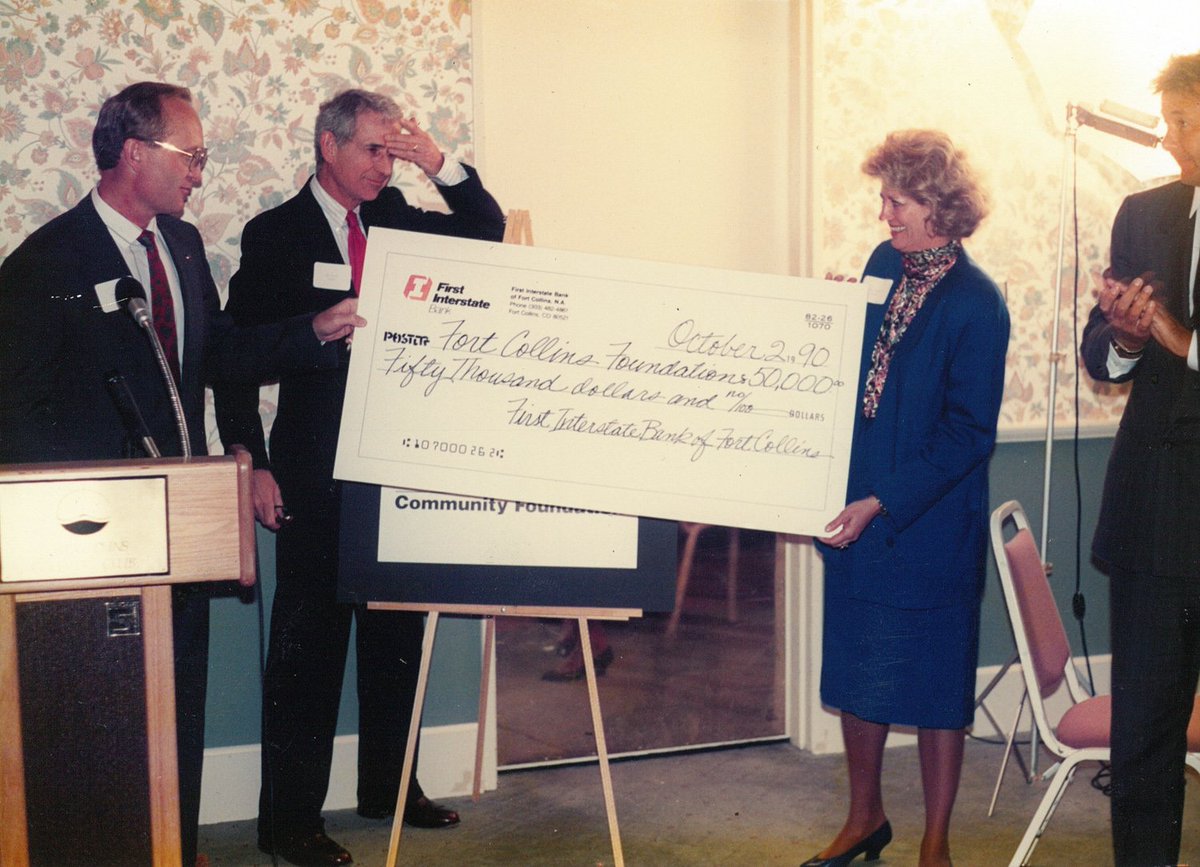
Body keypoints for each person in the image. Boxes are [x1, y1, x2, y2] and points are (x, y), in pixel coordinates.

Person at [0, 82, 363, 867]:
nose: (200, 170)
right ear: (135, 153)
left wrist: (312, 331)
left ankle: (178, 844)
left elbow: (221, 354)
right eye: (190, 155)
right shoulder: (46, 262)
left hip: (183, 518)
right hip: (90, 535)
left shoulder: (186, 244)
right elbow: (17, 412)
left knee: (182, 695)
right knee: (103, 708)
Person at [213, 88, 505, 867]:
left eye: (393, 149)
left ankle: (388, 786)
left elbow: (486, 233)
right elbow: (233, 358)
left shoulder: (400, 215)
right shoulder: (276, 234)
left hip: (397, 461)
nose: (385, 164)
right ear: (328, 146)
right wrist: (252, 461)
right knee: (308, 648)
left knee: (395, 632)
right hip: (311, 468)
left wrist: (437, 161)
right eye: (373, 149)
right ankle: (290, 823)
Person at [807, 130, 1008, 867]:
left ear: (937, 205)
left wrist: (883, 500)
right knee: (860, 665)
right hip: (860, 503)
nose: (882, 211)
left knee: (934, 686)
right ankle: (865, 819)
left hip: (927, 523)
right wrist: (834, 317)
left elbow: (967, 434)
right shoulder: (881, 264)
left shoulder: (977, 303)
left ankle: (936, 845)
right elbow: (866, 372)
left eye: (896, 198)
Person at [1080, 51, 1200, 867]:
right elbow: (1100, 353)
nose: (1168, 140)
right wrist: (1123, 335)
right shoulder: (1143, 214)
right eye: (1166, 123)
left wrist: (1177, 340)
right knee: (1147, 734)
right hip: (1157, 511)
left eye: (1184, 121)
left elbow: (1178, 343)